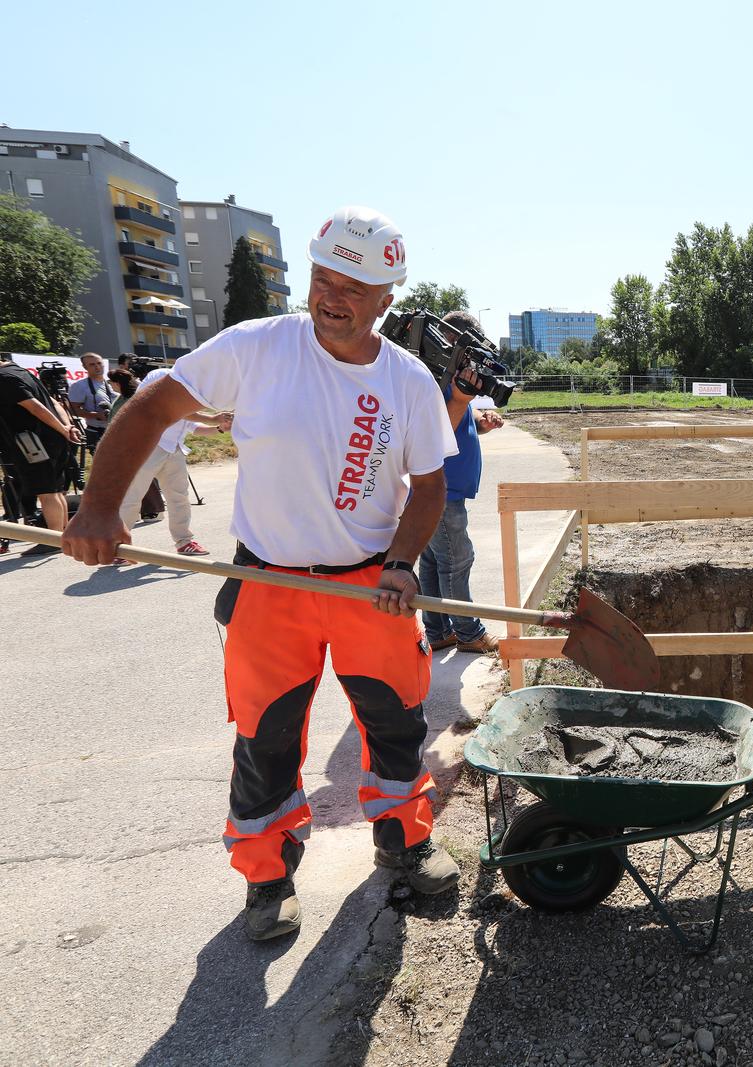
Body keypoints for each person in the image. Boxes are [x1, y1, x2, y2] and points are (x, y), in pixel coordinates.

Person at [63, 205, 461, 942]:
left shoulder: (408, 381)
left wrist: (404, 562)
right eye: (322, 276)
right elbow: (151, 406)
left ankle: (405, 843)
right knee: (266, 733)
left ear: (387, 298)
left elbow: (429, 485)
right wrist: (98, 506)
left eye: (353, 284)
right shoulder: (256, 347)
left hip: (371, 584)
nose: (330, 294)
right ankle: (268, 876)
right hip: (270, 581)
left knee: (396, 722)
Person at [420, 310, 506, 654]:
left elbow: (456, 420)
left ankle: (438, 630)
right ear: (453, 343)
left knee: (432, 560)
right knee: (457, 559)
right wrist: (461, 398)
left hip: (442, 489)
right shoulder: (437, 379)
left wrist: (480, 422)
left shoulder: (446, 380)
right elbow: (437, 431)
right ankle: (469, 632)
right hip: (442, 491)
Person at [114, 366, 230, 556]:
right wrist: (212, 418)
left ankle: (184, 542)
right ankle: (117, 547)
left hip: (173, 449)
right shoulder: (162, 375)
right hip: (146, 445)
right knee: (132, 498)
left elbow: (194, 427)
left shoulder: (194, 391)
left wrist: (220, 428)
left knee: (179, 498)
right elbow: (164, 405)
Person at [0, 350, 83, 538]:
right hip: (52, 440)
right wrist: (66, 427)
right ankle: (63, 535)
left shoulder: (4, 379)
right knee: (56, 490)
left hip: (34, 444)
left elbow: (35, 406)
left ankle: (53, 540)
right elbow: (52, 401)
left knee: (46, 492)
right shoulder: (18, 370)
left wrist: (64, 429)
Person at [67, 352, 113, 451]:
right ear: (85, 367)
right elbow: (72, 410)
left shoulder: (112, 383)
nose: (97, 367)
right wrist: (97, 415)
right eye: (92, 364)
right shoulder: (80, 386)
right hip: (98, 431)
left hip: (118, 429)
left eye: (99, 363)